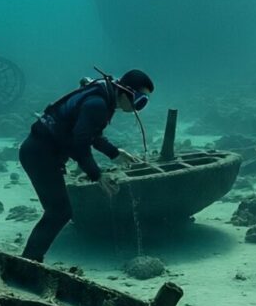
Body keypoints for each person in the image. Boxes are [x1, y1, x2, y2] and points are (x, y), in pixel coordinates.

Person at [18, 69, 154, 262]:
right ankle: (28, 262)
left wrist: (114, 153)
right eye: (139, 101)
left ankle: (29, 260)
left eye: (144, 104)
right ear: (126, 92)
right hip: (39, 155)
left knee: (58, 211)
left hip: (40, 152)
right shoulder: (97, 104)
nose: (137, 108)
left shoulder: (102, 97)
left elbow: (89, 134)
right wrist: (97, 175)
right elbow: (81, 143)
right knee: (59, 212)